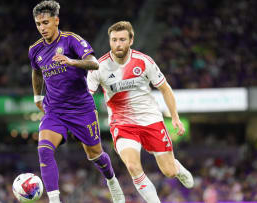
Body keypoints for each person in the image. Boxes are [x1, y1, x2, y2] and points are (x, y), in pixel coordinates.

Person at [28, 1, 125, 203]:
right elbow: (36, 72)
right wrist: (38, 97)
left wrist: (71, 61)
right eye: (38, 24)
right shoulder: (35, 50)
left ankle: (112, 181)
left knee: (96, 155)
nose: (42, 28)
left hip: (82, 110)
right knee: (44, 150)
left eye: (45, 22)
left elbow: (94, 63)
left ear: (56, 20)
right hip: (54, 111)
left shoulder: (71, 41)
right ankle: (55, 200)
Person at [87, 21, 194, 203]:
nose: (118, 44)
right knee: (133, 166)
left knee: (168, 171)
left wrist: (174, 117)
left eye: (122, 39)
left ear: (131, 40)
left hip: (151, 119)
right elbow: (86, 97)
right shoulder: (99, 66)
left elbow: (165, 89)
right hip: (122, 123)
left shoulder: (144, 61)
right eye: (114, 40)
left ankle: (177, 169)